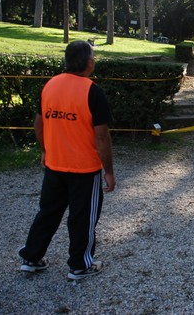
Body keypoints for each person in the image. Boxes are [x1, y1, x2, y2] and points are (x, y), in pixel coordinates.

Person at [19, 40, 116, 280]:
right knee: (82, 218)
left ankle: (31, 257)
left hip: (54, 165)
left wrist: (45, 150)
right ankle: (80, 265)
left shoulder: (50, 85)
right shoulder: (93, 91)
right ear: (90, 63)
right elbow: (102, 137)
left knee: (47, 213)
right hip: (84, 169)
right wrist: (109, 171)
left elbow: (39, 124)